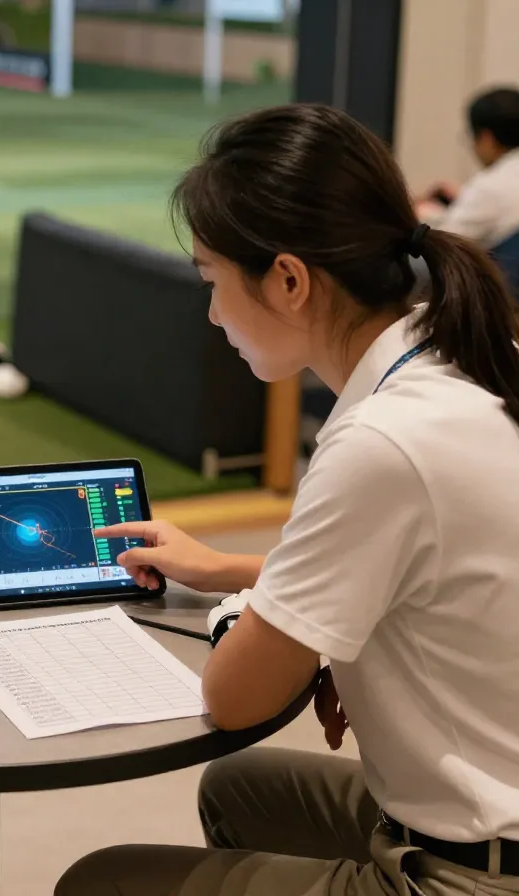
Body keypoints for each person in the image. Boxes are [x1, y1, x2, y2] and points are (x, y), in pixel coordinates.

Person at [57, 103, 519, 895]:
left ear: (289, 279)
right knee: (240, 791)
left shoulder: (383, 444)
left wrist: (253, 618)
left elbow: (234, 697)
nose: (211, 312)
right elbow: (428, 563)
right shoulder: (467, 354)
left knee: (101, 880)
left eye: (212, 280)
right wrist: (233, 567)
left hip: (472, 872)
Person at [416, 86, 519, 248]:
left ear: (486, 138)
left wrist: (422, 212)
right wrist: (463, 198)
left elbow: (445, 245)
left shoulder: (490, 187)